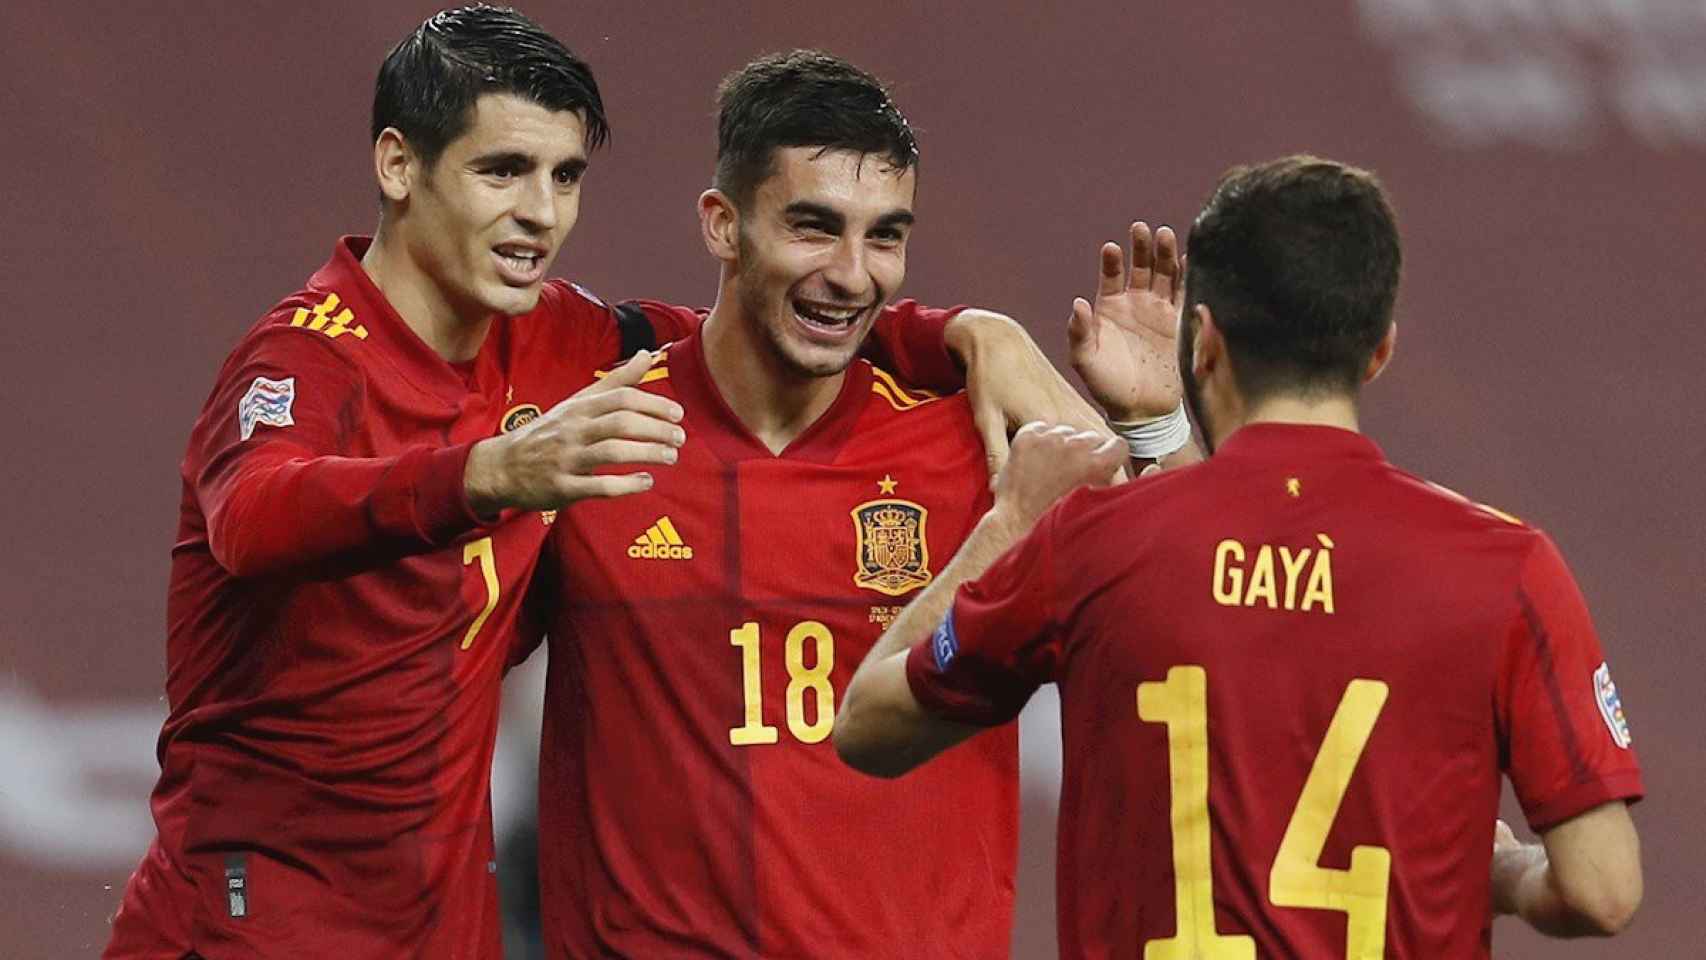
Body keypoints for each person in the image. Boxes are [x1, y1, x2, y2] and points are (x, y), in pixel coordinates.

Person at [104, 8, 1084, 958]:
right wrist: (487, 475)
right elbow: (255, 517)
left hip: (430, 922)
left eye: (563, 175)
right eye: (502, 170)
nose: (539, 211)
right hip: (252, 911)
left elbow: (759, 329)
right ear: (399, 165)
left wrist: (963, 332)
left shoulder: (563, 339)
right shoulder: (308, 356)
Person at [836, 155, 1645, 958]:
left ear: (1206, 340)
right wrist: (1500, 872)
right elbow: (1600, 890)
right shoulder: (1503, 566)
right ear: (1379, 351)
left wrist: (1009, 519)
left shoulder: (1091, 542)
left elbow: (869, 725)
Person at [526, 51, 1170, 958]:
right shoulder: (593, 442)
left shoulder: (971, 453)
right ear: (723, 225)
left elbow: (1192, 619)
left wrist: (1152, 427)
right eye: (814, 227)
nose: (853, 274)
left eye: (885, 236)